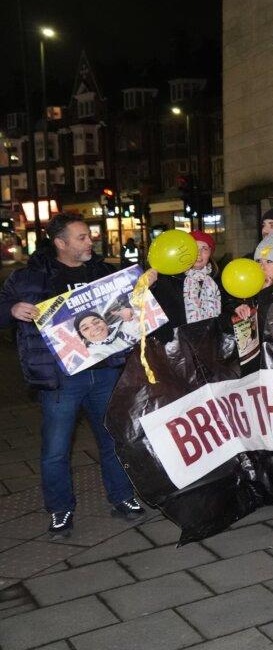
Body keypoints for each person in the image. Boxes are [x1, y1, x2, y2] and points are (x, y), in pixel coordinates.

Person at [0, 212, 145, 538]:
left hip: (105, 372)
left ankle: (122, 497)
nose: (89, 241)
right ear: (60, 243)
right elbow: (2, 310)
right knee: (56, 448)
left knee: (113, 440)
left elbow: (132, 309)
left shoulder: (104, 273)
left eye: (88, 235)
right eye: (81, 237)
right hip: (60, 378)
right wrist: (11, 310)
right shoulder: (30, 278)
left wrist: (139, 297)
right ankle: (60, 509)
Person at [148, 229, 222, 329]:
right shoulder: (167, 278)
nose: (198, 253)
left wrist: (235, 307)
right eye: (194, 248)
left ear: (210, 253)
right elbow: (150, 310)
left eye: (204, 248)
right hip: (178, 341)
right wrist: (150, 286)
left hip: (212, 339)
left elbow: (226, 305)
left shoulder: (217, 279)